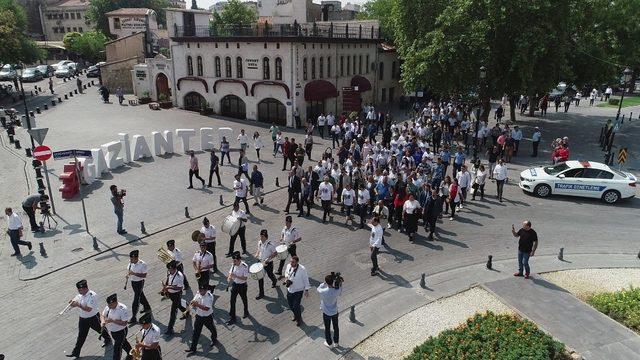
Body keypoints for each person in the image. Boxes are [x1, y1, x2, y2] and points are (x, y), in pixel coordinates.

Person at [65, 280, 111, 358]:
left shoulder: (92, 295)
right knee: (81, 336)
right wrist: (72, 304)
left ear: (85, 288)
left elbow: (89, 309)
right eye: (78, 290)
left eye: (80, 290)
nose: (79, 291)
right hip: (83, 319)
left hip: (93, 318)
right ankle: (76, 352)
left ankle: (108, 339)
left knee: (100, 330)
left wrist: (78, 304)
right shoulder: (79, 295)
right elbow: (75, 302)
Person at [185, 283, 217, 354]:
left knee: (212, 329)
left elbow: (206, 308)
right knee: (196, 333)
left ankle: (214, 339)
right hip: (199, 316)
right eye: (200, 290)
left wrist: (197, 305)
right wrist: (192, 303)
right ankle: (193, 348)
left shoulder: (209, 297)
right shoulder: (198, 293)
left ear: (206, 290)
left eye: (202, 290)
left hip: (207, 317)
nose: (201, 292)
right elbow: (194, 300)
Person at [101, 293, 132, 360]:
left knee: (117, 348)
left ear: (116, 302)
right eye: (108, 304)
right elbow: (103, 315)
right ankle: (131, 353)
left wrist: (112, 320)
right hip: (113, 331)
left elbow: (124, 323)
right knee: (124, 343)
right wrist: (103, 321)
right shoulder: (108, 307)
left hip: (121, 331)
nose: (109, 306)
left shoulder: (122, 309)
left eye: (111, 305)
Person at [317, 274, 343, 348]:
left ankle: (329, 344)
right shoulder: (336, 291)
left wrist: (324, 283)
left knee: (327, 329)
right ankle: (336, 343)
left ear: (327, 282)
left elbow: (318, 288)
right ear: (333, 282)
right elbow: (340, 290)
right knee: (336, 327)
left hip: (326, 313)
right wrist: (340, 283)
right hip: (334, 311)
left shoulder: (323, 291)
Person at [284, 256, 310, 326]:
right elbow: (286, 273)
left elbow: (306, 280)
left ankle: (299, 319)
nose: (291, 263)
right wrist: (286, 279)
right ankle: (296, 314)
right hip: (290, 289)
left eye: (293, 262)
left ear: (297, 262)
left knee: (296, 306)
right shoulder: (288, 265)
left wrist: (306, 290)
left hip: (298, 290)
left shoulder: (302, 269)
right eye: (291, 261)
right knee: (290, 305)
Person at [126, 250, 151, 324]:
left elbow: (144, 275)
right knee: (141, 295)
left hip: (140, 282)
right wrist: (128, 275)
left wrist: (134, 273)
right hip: (133, 282)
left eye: (132, 259)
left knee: (136, 299)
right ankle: (147, 307)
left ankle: (133, 317)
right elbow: (129, 271)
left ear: (136, 258)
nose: (130, 260)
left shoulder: (142, 264)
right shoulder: (131, 263)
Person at [162, 260, 186, 336]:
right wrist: (165, 289)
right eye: (169, 269)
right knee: (179, 305)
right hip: (171, 294)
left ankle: (170, 329)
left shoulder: (179, 276)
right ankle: (186, 311)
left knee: (173, 311)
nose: (169, 271)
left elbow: (180, 288)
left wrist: (169, 287)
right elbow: (168, 282)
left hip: (177, 294)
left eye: (171, 269)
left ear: (175, 269)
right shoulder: (170, 274)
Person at [227, 251, 250, 325]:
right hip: (235, 285)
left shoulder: (244, 266)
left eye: (235, 261)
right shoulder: (234, 264)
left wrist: (236, 276)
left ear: (239, 260)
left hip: (242, 285)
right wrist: (229, 276)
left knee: (244, 299)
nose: (234, 262)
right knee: (232, 301)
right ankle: (232, 317)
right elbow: (231, 272)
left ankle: (246, 311)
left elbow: (245, 278)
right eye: (233, 261)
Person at [255, 229, 278, 299]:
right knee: (260, 278)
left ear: (266, 237)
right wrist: (257, 254)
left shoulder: (270, 245)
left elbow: (275, 253)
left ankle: (274, 280)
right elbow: (259, 250)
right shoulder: (259, 242)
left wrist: (268, 259)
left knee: (270, 274)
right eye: (260, 236)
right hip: (261, 262)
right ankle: (261, 293)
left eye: (262, 236)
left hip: (268, 263)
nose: (261, 238)